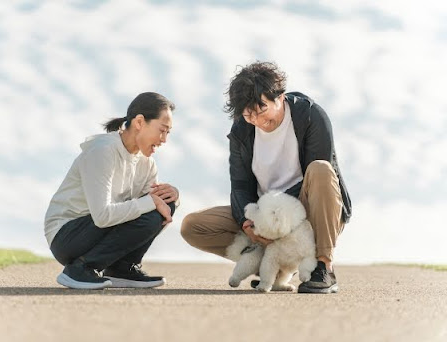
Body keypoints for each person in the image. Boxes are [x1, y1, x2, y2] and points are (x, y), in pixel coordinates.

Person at [181, 62, 351, 294]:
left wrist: (272, 214)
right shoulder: (241, 131)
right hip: (263, 215)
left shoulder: (310, 116)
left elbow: (324, 180)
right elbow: (240, 186)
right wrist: (247, 222)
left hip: (307, 213)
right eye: (249, 115)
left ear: (280, 97)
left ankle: (323, 267)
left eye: (262, 111)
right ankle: (270, 265)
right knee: (193, 226)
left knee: (320, 169)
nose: (259, 122)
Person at [45, 92, 179, 290]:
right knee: (154, 204)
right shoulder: (103, 150)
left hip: (97, 232)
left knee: (165, 202)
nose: (164, 139)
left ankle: (121, 269)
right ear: (140, 122)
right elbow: (102, 216)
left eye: (168, 133)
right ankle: (80, 269)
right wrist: (152, 202)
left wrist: (170, 195)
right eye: (162, 130)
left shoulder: (148, 164)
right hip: (67, 236)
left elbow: (151, 213)